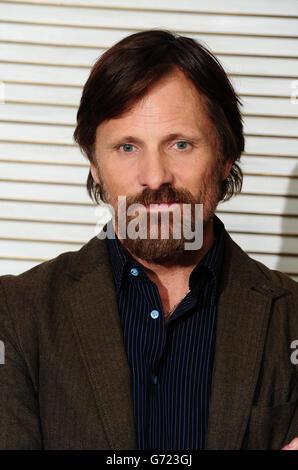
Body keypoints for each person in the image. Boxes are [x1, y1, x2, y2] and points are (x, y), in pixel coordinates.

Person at [0, 30, 297, 451]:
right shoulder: (14, 314)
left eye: (180, 144)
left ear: (225, 155)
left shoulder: (292, 319)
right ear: (96, 166)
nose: (155, 176)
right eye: (126, 147)